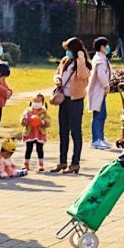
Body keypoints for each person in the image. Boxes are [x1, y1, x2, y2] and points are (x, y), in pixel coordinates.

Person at [50, 37, 91, 174]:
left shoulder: (84, 63)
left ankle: (75, 163)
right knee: (63, 131)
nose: (67, 52)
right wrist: (57, 79)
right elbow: (57, 73)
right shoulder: (65, 61)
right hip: (64, 99)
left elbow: (82, 75)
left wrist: (80, 59)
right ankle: (62, 161)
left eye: (69, 49)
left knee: (75, 132)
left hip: (76, 100)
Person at [88, 36, 112, 149]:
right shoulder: (100, 59)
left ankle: (100, 138)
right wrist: (106, 86)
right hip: (99, 91)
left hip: (100, 92)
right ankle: (96, 139)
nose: (108, 48)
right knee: (99, 115)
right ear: (102, 47)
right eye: (106, 46)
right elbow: (101, 74)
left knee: (102, 115)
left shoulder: (101, 58)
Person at [21, 94, 50, 171]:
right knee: (28, 148)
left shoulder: (44, 112)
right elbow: (22, 119)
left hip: (39, 133)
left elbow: (48, 121)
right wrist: (25, 120)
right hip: (30, 133)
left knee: (39, 149)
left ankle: (41, 164)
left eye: (38, 101)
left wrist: (43, 122)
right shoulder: (27, 111)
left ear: (42, 102)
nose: (36, 103)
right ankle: (26, 163)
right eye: (34, 101)